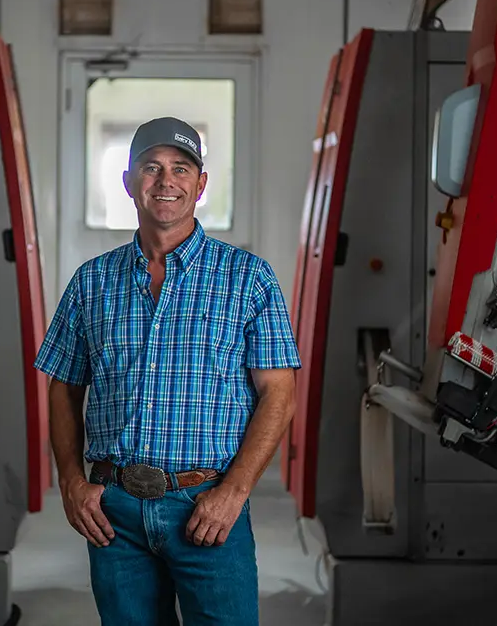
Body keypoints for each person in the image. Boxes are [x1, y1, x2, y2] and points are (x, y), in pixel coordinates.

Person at [33, 116, 301, 625]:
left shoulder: (248, 279)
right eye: (151, 167)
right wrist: (71, 482)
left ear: (201, 185)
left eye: (181, 168)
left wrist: (234, 492)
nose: (166, 181)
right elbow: (63, 388)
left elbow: (279, 395)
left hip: (207, 510)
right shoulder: (92, 282)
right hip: (114, 516)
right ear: (129, 182)